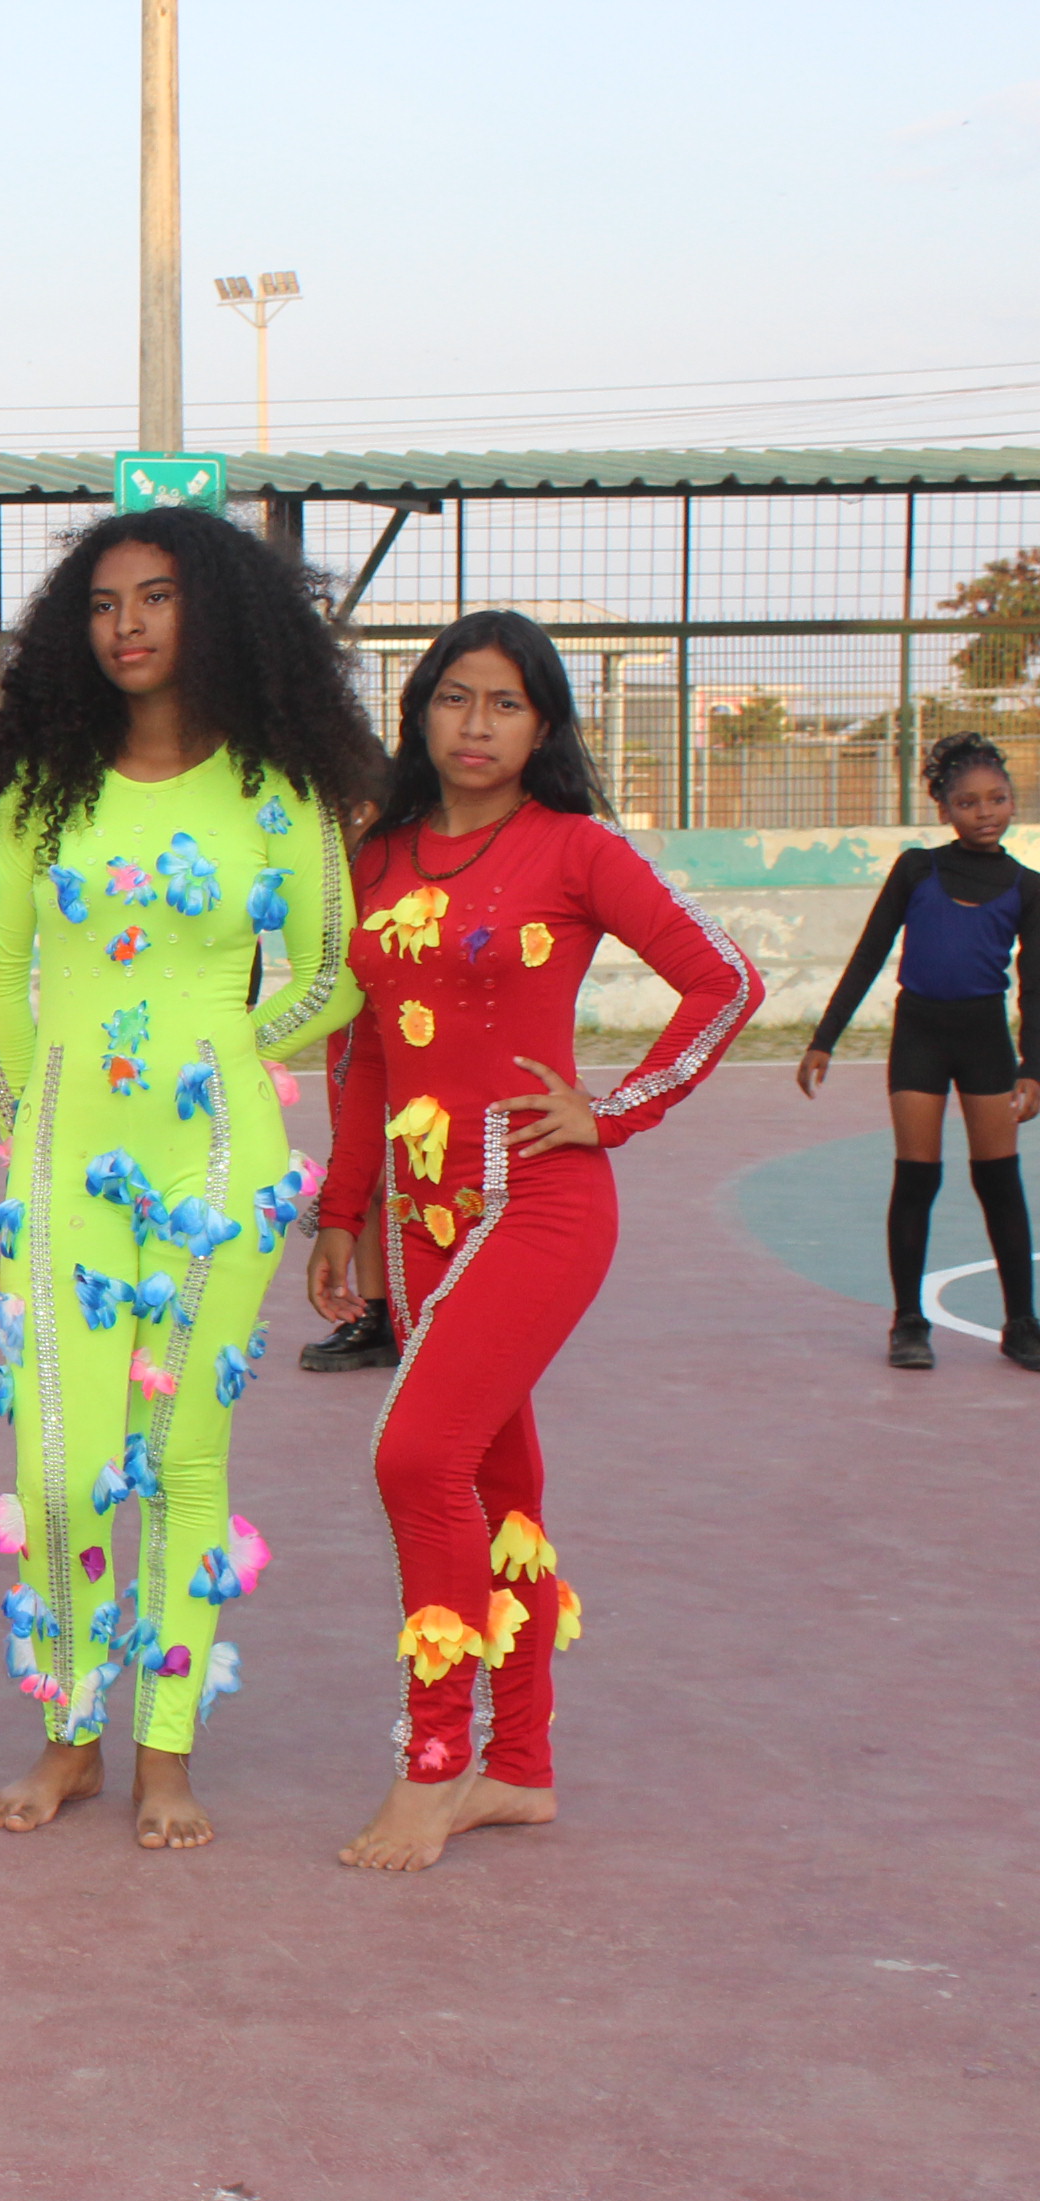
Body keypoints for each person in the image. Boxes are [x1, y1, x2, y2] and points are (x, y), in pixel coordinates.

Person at [0, 505, 376, 1852]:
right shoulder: (41, 791)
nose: (125, 624)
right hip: (61, 1164)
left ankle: (165, 1752)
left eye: (155, 597)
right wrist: (30, 1126)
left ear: (220, 616)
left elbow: (336, 969)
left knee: (185, 1460)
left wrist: (233, 1055)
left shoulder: (278, 788)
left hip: (219, 1159)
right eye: (102, 603)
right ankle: (70, 1733)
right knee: (62, 1466)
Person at [313, 611, 759, 1870]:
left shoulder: (576, 849)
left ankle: (434, 1764)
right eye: (455, 697)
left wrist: (615, 1109)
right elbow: (366, 1054)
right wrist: (342, 1211)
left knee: (415, 1460)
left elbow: (725, 981)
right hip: (421, 1224)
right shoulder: (376, 857)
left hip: (540, 1204)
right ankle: (520, 1769)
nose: (476, 725)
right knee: (493, 1485)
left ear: (544, 725)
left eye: (506, 704)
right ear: (420, 713)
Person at [798, 733, 1040, 1370]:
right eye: (968, 802)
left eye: (997, 798)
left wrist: (1033, 1066)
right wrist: (825, 1038)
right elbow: (869, 953)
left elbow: (1036, 987)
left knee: (1000, 1181)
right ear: (944, 810)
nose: (985, 812)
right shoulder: (916, 870)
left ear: (1013, 800)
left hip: (985, 1039)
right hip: (920, 1037)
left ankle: (1022, 1323)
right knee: (916, 1177)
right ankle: (908, 1322)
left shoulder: (1028, 886)